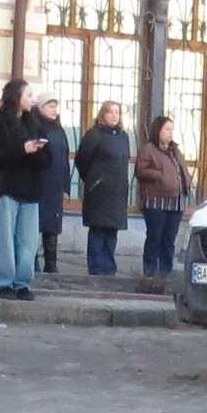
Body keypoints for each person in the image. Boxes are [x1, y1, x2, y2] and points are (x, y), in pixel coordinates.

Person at [0, 77, 49, 301]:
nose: (32, 99)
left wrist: (38, 151)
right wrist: (23, 149)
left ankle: (23, 283)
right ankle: (4, 282)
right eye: (28, 95)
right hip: (6, 188)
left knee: (28, 240)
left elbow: (46, 158)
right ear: (16, 97)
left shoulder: (34, 123)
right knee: (4, 238)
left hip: (30, 189)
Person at [75, 99, 133, 277]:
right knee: (98, 232)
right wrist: (94, 179)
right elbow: (82, 160)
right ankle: (96, 271)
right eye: (110, 112)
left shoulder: (123, 137)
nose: (114, 115)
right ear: (102, 114)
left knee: (111, 233)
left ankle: (109, 272)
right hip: (99, 193)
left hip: (117, 194)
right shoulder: (94, 135)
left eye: (117, 112)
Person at [135, 115, 188, 278]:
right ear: (158, 130)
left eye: (172, 129)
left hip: (176, 202)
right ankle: (150, 273)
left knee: (169, 240)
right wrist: (159, 175)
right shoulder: (148, 149)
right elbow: (141, 171)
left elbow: (181, 169)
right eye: (167, 129)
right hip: (156, 201)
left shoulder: (174, 150)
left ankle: (165, 273)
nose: (170, 133)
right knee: (155, 238)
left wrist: (186, 181)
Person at [34, 94, 74, 276]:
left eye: (55, 107)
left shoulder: (59, 130)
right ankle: (32, 262)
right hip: (39, 184)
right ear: (40, 108)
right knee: (34, 225)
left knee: (52, 227)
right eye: (49, 106)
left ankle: (51, 264)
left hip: (55, 186)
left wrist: (66, 187)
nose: (53, 110)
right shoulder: (35, 126)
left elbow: (65, 160)